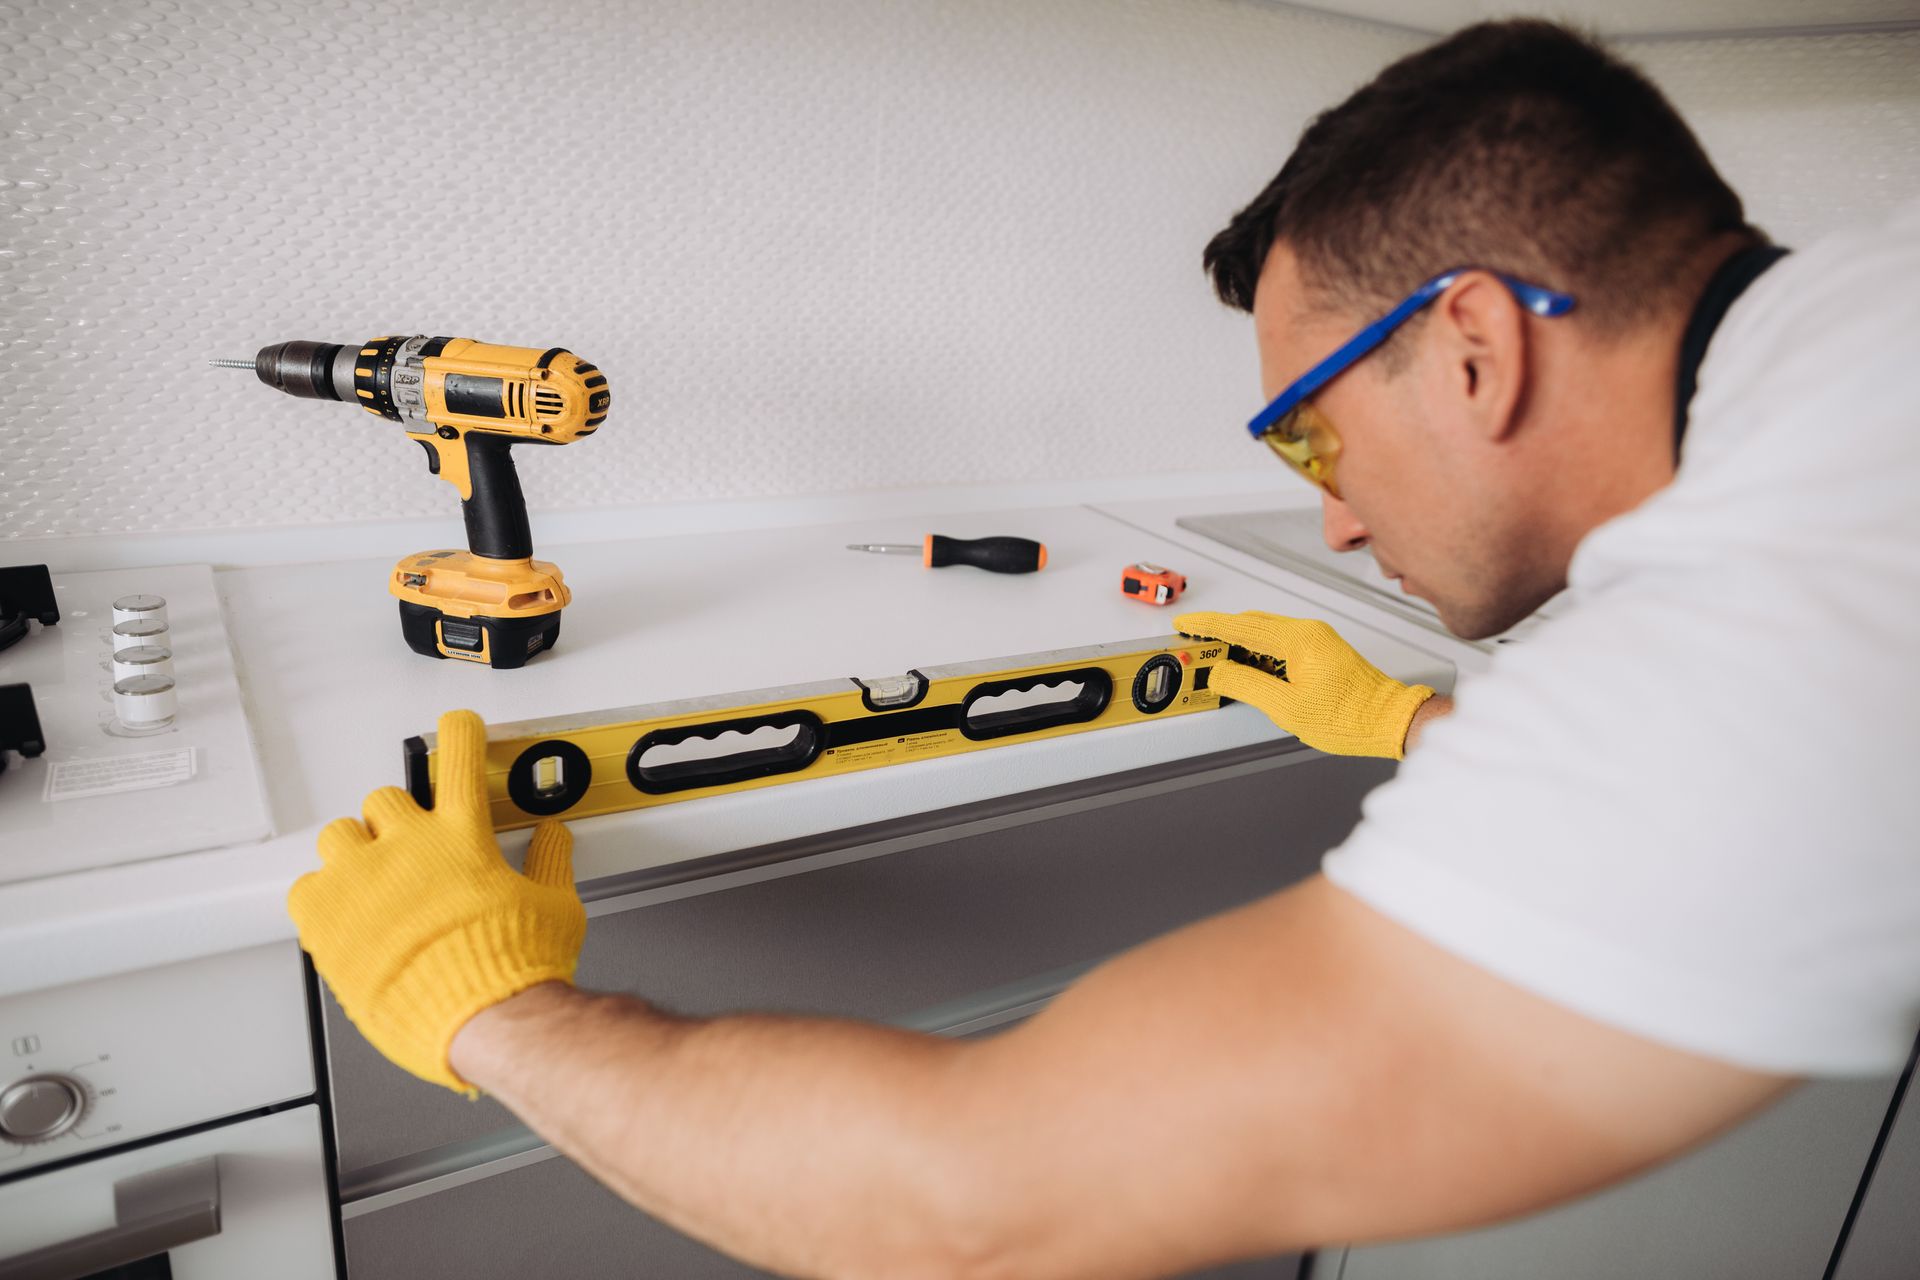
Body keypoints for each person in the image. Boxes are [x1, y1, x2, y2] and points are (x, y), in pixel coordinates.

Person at [288, 20, 1920, 1279]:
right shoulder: (1862, 354)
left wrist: (489, 1004)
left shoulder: (1771, 612)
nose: (1337, 529)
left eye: (1313, 441)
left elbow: (978, 1210)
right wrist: (1420, 729)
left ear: (1477, 347)